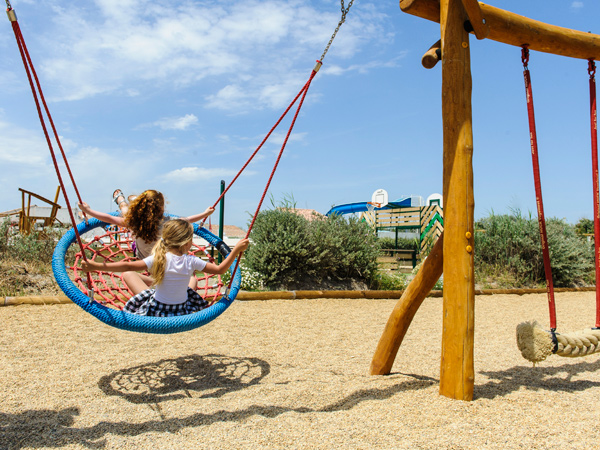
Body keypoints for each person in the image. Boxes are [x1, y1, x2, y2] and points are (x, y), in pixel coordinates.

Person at [82, 219, 249, 317]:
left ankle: (156, 282)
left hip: (156, 310)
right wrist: (235, 250)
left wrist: (94, 266)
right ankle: (158, 282)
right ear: (187, 243)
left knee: (128, 273)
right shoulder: (191, 261)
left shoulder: (159, 258)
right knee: (192, 278)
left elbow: (127, 265)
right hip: (181, 310)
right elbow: (220, 269)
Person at [78, 189, 215, 288]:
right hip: (154, 258)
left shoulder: (135, 222)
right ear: (161, 208)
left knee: (126, 216)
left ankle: (124, 202)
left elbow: (109, 219)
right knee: (127, 216)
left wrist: (89, 211)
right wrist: (204, 213)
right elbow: (188, 220)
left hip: (142, 255)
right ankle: (123, 201)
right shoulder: (167, 222)